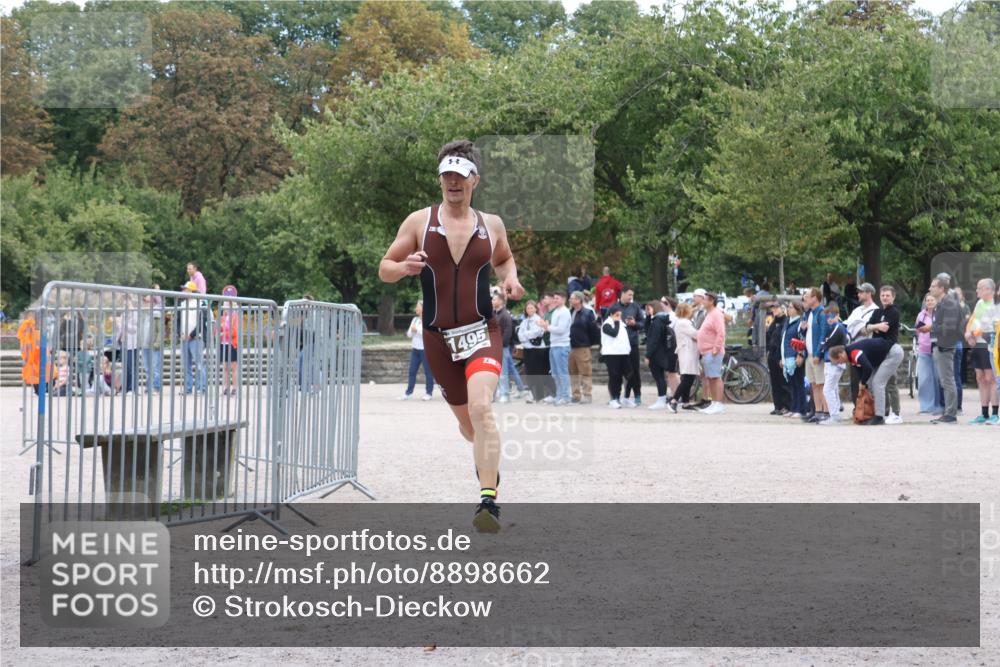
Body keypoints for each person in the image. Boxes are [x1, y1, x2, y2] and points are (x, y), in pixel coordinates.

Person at [378, 139, 524, 532]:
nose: (452, 183)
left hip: (482, 331)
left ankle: (488, 502)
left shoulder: (490, 224)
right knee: (468, 427)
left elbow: (505, 258)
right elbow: (384, 268)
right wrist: (404, 266)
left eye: (460, 176)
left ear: (475, 179)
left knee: (482, 409)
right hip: (437, 339)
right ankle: (487, 460)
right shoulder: (418, 222)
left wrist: (509, 278)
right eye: (446, 176)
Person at [830, 334, 903, 426]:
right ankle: (873, 413)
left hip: (892, 353)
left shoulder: (854, 353)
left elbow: (868, 368)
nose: (839, 363)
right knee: (871, 384)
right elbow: (861, 372)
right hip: (882, 357)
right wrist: (864, 383)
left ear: (840, 355)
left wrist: (863, 383)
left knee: (877, 383)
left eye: (838, 361)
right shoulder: (851, 357)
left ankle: (879, 417)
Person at [929, 274, 966, 424]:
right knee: (945, 380)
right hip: (941, 344)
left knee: (948, 380)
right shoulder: (942, 303)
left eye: (932, 286)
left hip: (946, 345)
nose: (930, 288)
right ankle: (948, 412)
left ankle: (951, 414)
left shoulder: (949, 303)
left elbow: (949, 327)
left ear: (941, 288)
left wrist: (931, 328)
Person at [862, 285, 902, 423]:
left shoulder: (894, 312)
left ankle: (895, 414)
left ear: (893, 297)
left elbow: (885, 329)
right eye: (883, 295)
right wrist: (875, 327)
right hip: (878, 352)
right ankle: (883, 411)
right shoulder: (877, 312)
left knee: (889, 383)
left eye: (888, 295)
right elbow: (866, 328)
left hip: (889, 351)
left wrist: (874, 327)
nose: (885, 298)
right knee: (877, 382)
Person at [965, 278, 999, 424]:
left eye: (979, 288)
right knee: (980, 377)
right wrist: (968, 333)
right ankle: (983, 413)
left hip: (989, 344)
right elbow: (973, 320)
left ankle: (995, 413)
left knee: (990, 378)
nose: (977, 290)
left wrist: (977, 332)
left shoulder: (995, 304)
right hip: (977, 345)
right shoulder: (979, 303)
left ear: (988, 289)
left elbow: (991, 326)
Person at [843, 282, 879, 403]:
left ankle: (869, 409)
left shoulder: (876, 310)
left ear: (868, 293)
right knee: (855, 379)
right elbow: (848, 325)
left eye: (861, 292)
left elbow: (865, 330)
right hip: (853, 347)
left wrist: (859, 327)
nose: (858, 294)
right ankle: (857, 407)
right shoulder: (857, 310)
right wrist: (858, 327)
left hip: (867, 349)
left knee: (867, 378)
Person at [800, 287, 829, 423]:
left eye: (808, 296)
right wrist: (802, 329)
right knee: (813, 384)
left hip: (817, 355)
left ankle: (826, 411)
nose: (805, 298)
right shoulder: (809, 314)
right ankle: (817, 411)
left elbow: (824, 335)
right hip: (809, 355)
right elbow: (805, 335)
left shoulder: (821, 313)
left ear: (815, 298)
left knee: (821, 384)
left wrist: (818, 353)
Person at [177, 280, 211, 395]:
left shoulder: (200, 303)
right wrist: (179, 333)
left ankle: (202, 388)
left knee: (199, 364)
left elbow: (202, 321)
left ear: (191, 291)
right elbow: (177, 321)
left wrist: (191, 335)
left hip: (196, 338)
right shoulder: (181, 304)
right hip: (184, 338)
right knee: (186, 365)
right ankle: (188, 388)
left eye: (185, 289)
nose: (182, 291)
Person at [817, 303, 849, 425]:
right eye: (827, 317)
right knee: (833, 388)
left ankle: (834, 415)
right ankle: (835, 414)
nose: (828, 319)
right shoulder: (836, 327)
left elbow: (827, 343)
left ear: (836, 315)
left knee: (828, 389)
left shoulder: (838, 327)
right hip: (831, 361)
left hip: (834, 362)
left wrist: (822, 345)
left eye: (831, 316)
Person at [539, 291, 571, 405]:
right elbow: (553, 328)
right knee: (555, 372)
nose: (555, 300)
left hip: (562, 345)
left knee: (562, 372)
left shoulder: (565, 312)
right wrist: (546, 326)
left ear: (563, 299)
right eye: (554, 298)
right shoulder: (556, 311)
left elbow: (561, 330)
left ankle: (566, 396)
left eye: (557, 298)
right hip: (554, 345)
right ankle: (559, 395)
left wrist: (547, 326)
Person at [696, 293, 727, 414]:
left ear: (711, 301)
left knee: (715, 378)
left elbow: (721, 333)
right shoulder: (709, 314)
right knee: (710, 378)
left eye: (704, 299)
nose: (702, 301)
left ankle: (718, 404)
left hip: (713, 352)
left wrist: (716, 349)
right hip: (706, 352)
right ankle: (714, 403)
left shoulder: (716, 314)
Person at [644, 300, 677, 410]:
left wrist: (648, 355)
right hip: (659, 352)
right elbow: (647, 331)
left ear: (654, 308)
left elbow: (653, 340)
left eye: (649, 308)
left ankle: (661, 399)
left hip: (657, 354)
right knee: (659, 377)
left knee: (659, 377)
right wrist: (648, 317)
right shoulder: (658, 320)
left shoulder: (657, 322)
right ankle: (661, 399)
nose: (647, 310)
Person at [493, 293, 526, 403]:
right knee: (511, 369)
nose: (492, 301)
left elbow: (507, 332)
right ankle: (521, 389)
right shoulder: (495, 313)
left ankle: (505, 395)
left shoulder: (505, 315)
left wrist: (500, 345)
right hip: (497, 346)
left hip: (503, 347)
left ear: (501, 302)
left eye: (494, 299)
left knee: (503, 372)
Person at [517, 300, 551, 404]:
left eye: (531, 308)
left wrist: (525, 335)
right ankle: (533, 394)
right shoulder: (524, 321)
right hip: (527, 349)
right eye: (528, 308)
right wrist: (527, 335)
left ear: (535, 308)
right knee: (529, 372)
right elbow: (519, 335)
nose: (529, 310)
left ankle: (540, 395)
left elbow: (537, 332)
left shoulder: (538, 319)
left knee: (539, 372)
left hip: (538, 350)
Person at [913, 294, 943, 415]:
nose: (930, 302)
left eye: (932, 300)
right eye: (927, 300)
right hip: (924, 349)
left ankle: (938, 405)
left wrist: (928, 328)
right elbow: (919, 329)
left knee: (937, 378)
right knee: (924, 379)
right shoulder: (921, 315)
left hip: (937, 348)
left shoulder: (940, 314)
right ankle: (926, 406)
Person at [568, 290, 598, 404]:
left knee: (585, 372)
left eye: (572, 298)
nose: (570, 300)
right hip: (571, 346)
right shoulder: (570, 312)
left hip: (583, 346)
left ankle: (587, 395)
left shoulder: (588, 313)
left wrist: (589, 343)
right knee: (573, 372)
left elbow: (594, 330)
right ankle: (575, 395)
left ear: (579, 300)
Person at [400, 300, 435, 401]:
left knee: (428, 372)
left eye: (417, 307)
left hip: (425, 350)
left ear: (423, 308)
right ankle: (408, 393)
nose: (416, 309)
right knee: (412, 371)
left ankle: (429, 393)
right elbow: (409, 334)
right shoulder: (414, 320)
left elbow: (428, 334)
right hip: (415, 349)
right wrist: (412, 330)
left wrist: (417, 331)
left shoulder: (429, 320)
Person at [600, 305, 633, 409]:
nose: (619, 317)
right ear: (611, 315)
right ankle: (614, 399)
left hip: (623, 353)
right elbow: (613, 334)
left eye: (620, 315)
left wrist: (628, 350)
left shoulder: (622, 324)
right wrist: (617, 322)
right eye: (616, 315)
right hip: (611, 354)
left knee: (630, 375)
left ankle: (625, 398)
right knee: (615, 377)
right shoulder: (606, 324)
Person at [616, 288, 645, 406]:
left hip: (632, 343)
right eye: (629, 295)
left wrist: (635, 324)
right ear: (622, 294)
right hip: (617, 344)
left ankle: (637, 395)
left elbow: (643, 324)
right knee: (617, 371)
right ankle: (616, 396)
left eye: (632, 295)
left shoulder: (635, 307)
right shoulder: (614, 307)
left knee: (634, 370)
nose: (631, 297)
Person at [670, 303, 700, 413]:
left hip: (689, 352)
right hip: (687, 353)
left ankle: (686, 403)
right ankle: (674, 401)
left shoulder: (683, 322)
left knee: (689, 378)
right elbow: (696, 334)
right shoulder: (684, 323)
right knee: (687, 379)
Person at [765, 302, 791, 415]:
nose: (774, 310)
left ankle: (786, 405)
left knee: (783, 381)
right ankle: (778, 406)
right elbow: (769, 336)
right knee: (774, 381)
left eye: (776, 307)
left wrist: (782, 357)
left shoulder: (786, 321)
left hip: (780, 355)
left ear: (782, 308)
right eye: (772, 308)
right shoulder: (773, 322)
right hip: (772, 354)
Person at [782, 302, 808, 418]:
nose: (788, 309)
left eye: (791, 307)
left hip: (795, 356)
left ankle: (801, 409)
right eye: (788, 307)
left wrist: (800, 355)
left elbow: (802, 340)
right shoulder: (788, 322)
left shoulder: (799, 323)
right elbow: (784, 341)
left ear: (797, 310)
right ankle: (793, 407)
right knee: (792, 384)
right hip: (787, 357)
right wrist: (782, 358)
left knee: (799, 383)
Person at [138, 288, 163, 394]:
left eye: (147, 301)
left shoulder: (157, 313)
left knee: (155, 367)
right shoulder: (143, 313)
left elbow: (160, 330)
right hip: (144, 344)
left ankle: (156, 387)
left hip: (153, 345)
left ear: (153, 302)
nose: (145, 303)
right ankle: (149, 387)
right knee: (147, 368)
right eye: (144, 301)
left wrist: (157, 343)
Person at [114, 295, 140, 394]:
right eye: (123, 302)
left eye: (126, 302)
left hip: (132, 343)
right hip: (123, 343)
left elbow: (134, 328)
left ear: (130, 301)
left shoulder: (135, 312)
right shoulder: (124, 313)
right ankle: (125, 388)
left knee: (131, 366)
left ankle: (132, 388)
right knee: (125, 367)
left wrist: (122, 323)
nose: (125, 304)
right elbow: (121, 329)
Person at [218, 286, 241, 397]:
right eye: (225, 305)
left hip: (232, 344)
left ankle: (235, 388)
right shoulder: (223, 317)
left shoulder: (235, 316)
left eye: (227, 305)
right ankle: (226, 388)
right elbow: (217, 330)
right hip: (224, 344)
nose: (226, 307)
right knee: (225, 367)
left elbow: (235, 332)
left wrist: (223, 333)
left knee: (233, 368)